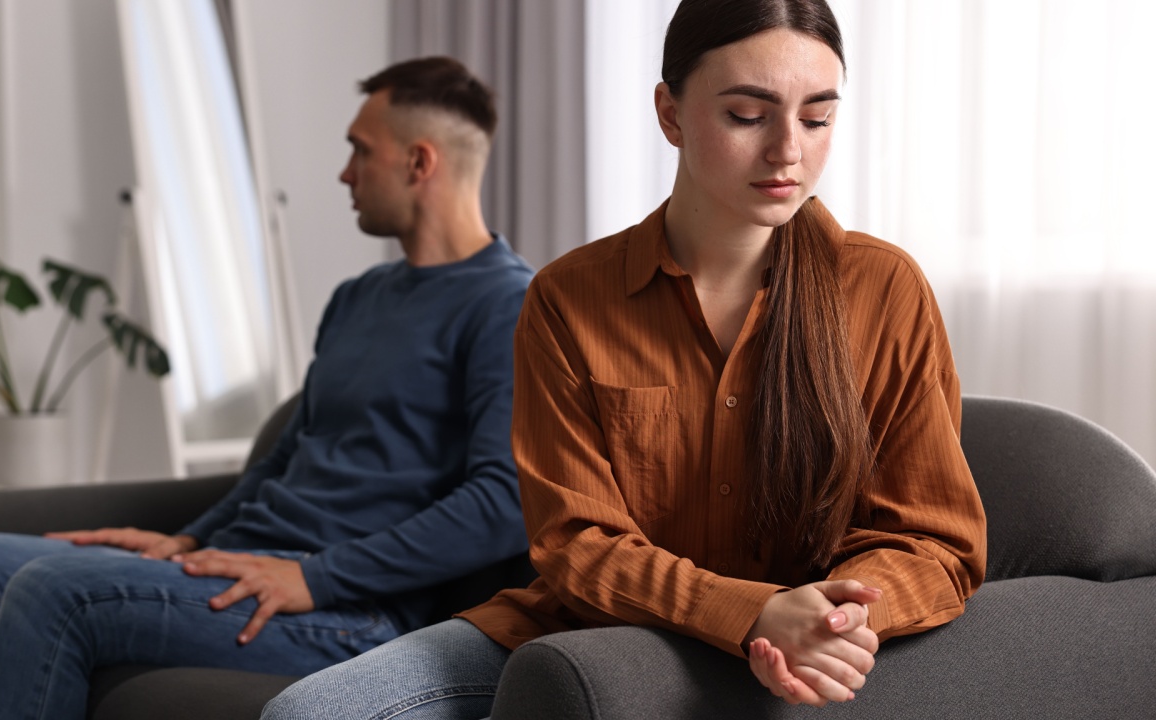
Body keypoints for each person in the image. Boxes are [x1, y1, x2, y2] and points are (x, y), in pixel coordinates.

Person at [262, 1, 987, 717]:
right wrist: (747, 611)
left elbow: (932, 539)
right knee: (310, 713)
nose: (788, 151)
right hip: (585, 636)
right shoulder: (568, 298)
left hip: (808, 650)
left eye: (817, 118)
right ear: (670, 114)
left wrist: (836, 620)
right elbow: (574, 542)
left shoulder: (884, 289)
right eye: (747, 115)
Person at [0, 56, 533, 720]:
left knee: (54, 589)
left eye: (360, 151)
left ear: (419, 163)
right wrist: (187, 540)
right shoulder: (358, 297)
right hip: (240, 562)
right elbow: (284, 459)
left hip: (347, 610)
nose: (345, 172)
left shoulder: (506, 305)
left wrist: (316, 576)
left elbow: (504, 502)